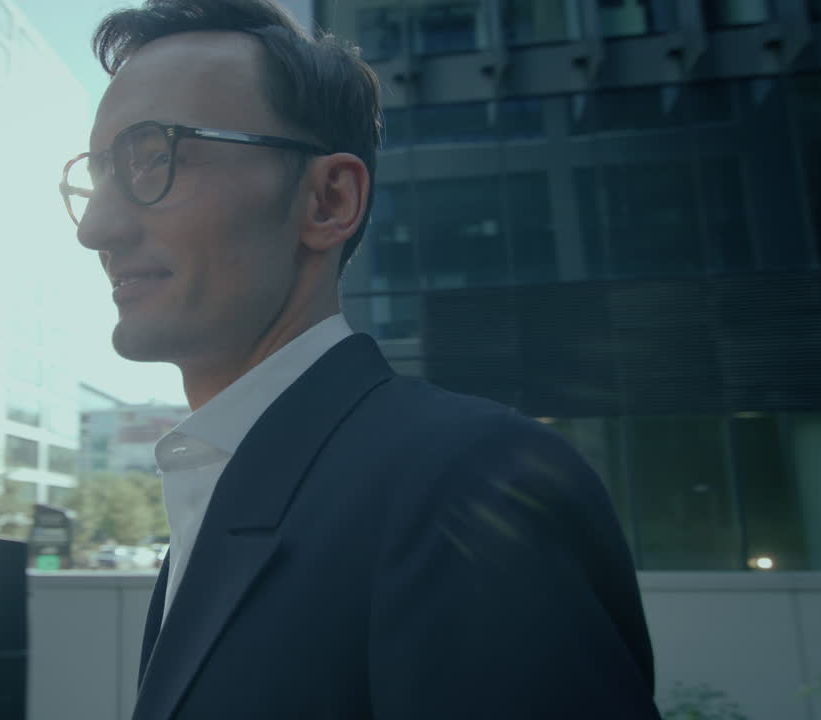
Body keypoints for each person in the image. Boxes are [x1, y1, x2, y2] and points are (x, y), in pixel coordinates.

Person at [61, 1, 661, 717]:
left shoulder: (467, 484)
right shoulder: (220, 490)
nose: (95, 228)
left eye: (154, 157)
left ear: (328, 200)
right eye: (99, 174)